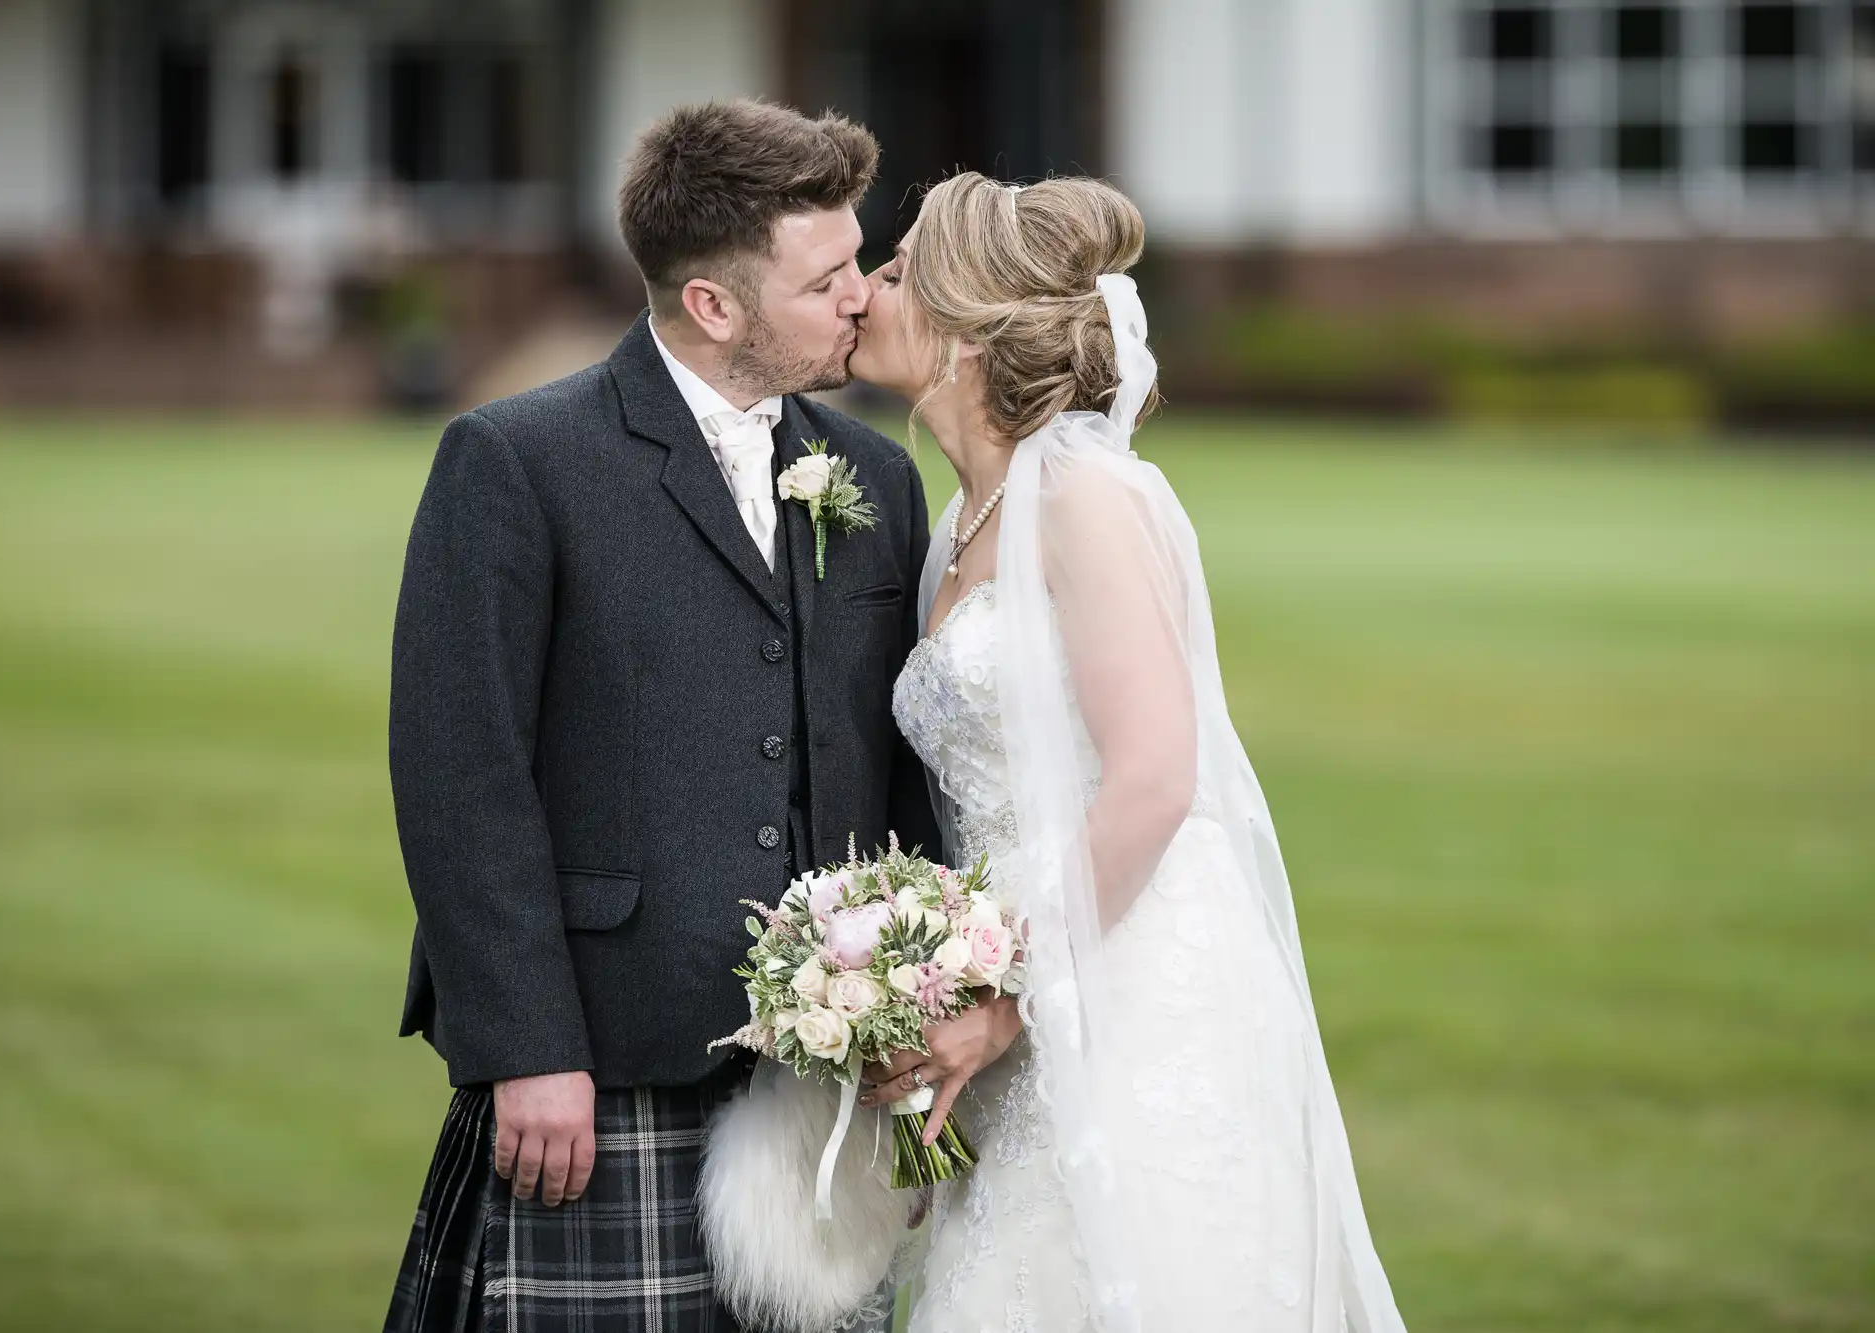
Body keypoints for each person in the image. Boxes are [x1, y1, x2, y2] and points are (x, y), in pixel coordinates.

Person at [381, 100, 941, 1333]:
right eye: (827, 276)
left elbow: (903, 770)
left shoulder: (879, 476)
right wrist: (526, 1045)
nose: (863, 293)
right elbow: (459, 773)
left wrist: (913, 1007)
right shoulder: (517, 462)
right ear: (712, 307)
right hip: (604, 1056)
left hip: (826, 1075)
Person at [852, 172, 1409, 1333]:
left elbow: (1155, 776)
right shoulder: (954, 523)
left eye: (896, 270)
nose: (863, 289)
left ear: (959, 330)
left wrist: (1005, 996)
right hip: (1020, 961)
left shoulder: (1087, 495)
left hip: (1127, 973)